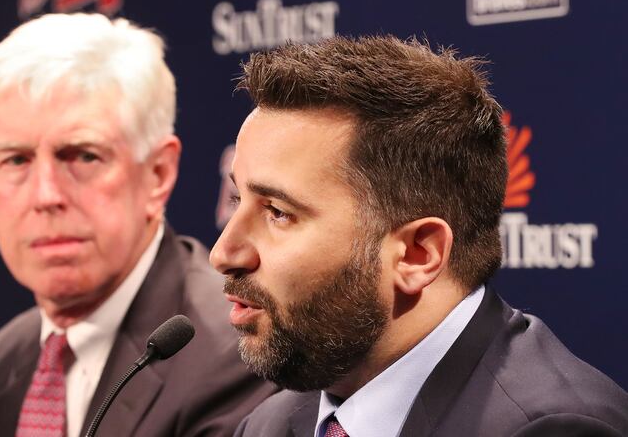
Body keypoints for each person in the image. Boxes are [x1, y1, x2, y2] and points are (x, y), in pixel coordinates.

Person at [210, 35, 628, 437]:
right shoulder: (269, 424)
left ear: (417, 253)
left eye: (278, 213)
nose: (223, 253)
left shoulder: (551, 428)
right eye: (235, 198)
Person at [0, 13, 276, 437]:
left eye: (83, 156)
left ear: (157, 173)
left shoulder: (242, 353)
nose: (46, 195)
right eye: (16, 160)